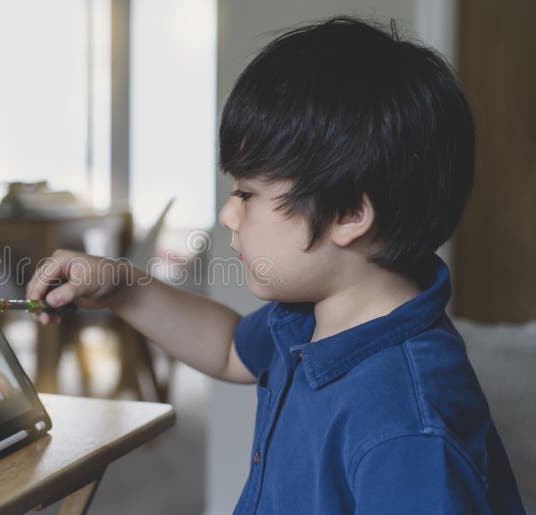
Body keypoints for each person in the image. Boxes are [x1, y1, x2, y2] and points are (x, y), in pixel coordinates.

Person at [26, 17, 525, 514]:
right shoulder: (318, 314)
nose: (228, 214)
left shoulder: (407, 431)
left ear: (349, 213)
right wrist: (122, 289)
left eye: (246, 193)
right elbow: (228, 348)